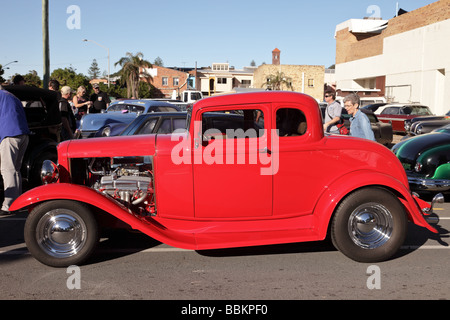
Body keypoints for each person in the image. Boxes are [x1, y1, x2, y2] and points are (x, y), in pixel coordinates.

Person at [0, 89, 30, 216]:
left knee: (8, 170)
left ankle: (8, 205)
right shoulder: (10, 95)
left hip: (9, 134)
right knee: (15, 170)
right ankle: (18, 202)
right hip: (23, 134)